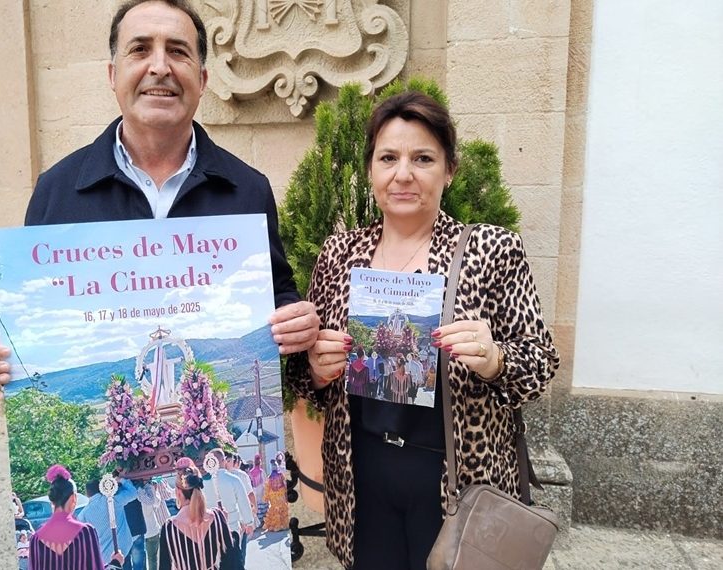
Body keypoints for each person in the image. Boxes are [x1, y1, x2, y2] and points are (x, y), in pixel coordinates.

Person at [0, 0, 319, 398]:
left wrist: (296, 317)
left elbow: (278, 290)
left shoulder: (248, 189)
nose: (160, 67)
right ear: (113, 75)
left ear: (202, 79)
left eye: (178, 51)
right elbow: (26, 315)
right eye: (140, 49)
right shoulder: (57, 188)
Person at [284, 91, 559, 569]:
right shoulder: (339, 254)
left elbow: (540, 365)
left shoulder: (491, 250)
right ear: (370, 169)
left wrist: (496, 360)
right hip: (361, 471)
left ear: (449, 170)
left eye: (423, 158)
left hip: (458, 477)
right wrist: (317, 369)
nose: (403, 173)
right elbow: (305, 379)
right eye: (388, 157)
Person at [159, 466, 239, 570]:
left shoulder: (169, 527)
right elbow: (231, 557)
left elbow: (164, 566)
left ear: (178, 492)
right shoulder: (217, 516)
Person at [30, 465, 105, 569]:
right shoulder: (85, 532)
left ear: (51, 500)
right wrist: (115, 563)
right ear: (73, 498)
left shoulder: (36, 539)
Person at [200, 449, 253, 563]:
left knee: (218, 561)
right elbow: (244, 503)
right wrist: (249, 522)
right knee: (234, 559)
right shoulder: (233, 479)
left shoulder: (203, 483)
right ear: (223, 461)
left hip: (211, 528)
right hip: (232, 526)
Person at [77, 476, 139, 568]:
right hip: (123, 548)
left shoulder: (83, 514)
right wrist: (122, 480)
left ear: (87, 493)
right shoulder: (114, 501)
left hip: (103, 557)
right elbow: (133, 493)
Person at [136, 478, 175, 570]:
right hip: (152, 529)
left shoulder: (132, 492)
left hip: (138, 531)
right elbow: (157, 503)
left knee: (140, 560)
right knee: (153, 558)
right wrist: (155, 490)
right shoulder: (149, 489)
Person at [261, 460, 288, 532]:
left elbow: (267, 487)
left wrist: (266, 497)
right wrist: (286, 493)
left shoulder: (269, 477)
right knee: (282, 507)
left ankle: (276, 525)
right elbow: (285, 484)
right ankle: (282, 525)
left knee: (275, 508)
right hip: (280, 493)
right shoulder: (281, 475)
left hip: (272, 494)